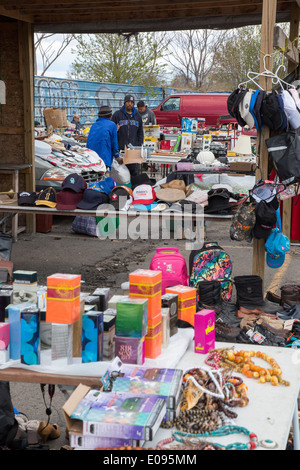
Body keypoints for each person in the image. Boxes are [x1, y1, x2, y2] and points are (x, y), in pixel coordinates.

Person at [111, 95, 144, 176]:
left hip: (133, 150)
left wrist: (139, 146)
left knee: (133, 173)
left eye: (132, 102)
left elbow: (140, 133)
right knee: (119, 174)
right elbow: (112, 131)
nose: (130, 104)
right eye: (128, 102)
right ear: (124, 103)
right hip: (120, 150)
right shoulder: (117, 115)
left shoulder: (138, 116)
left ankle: (132, 188)